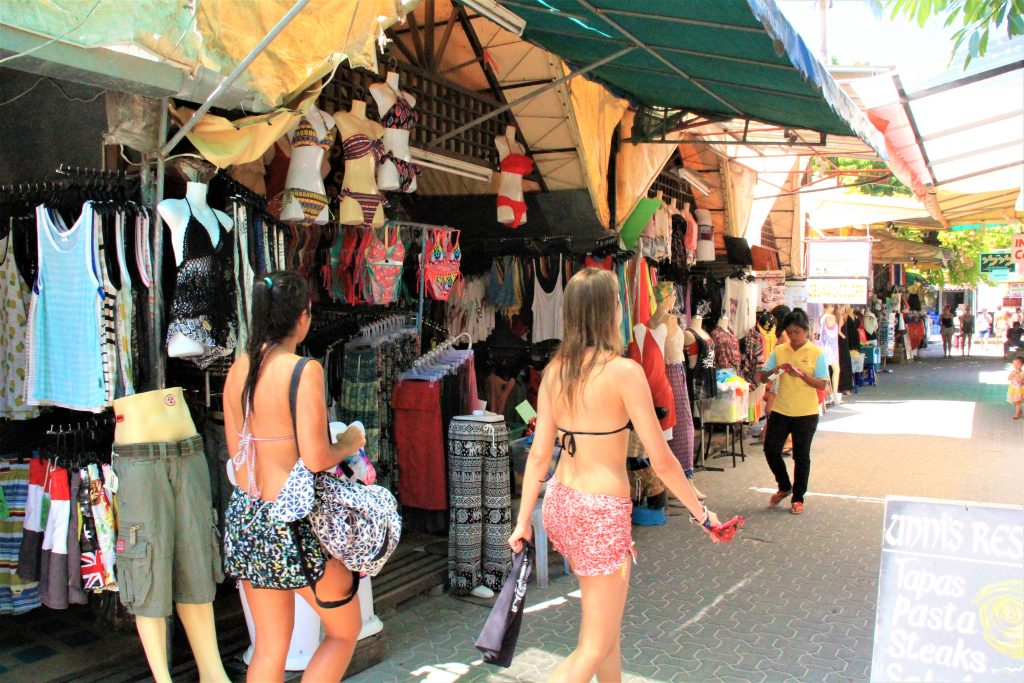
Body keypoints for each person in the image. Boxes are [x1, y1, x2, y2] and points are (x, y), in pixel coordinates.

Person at [508, 268, 725, 682]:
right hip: (601, 512)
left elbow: (538, 457)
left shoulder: (556, 371)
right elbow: (662, 461)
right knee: (593, 645)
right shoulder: (624, 372)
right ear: (610, 312)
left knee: (605, 635)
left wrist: (523, 523)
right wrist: (702, 515)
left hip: (563, 503)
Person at [222, 271, 367, 682]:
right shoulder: (304, 371)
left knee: (269, 647)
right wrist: (352, 440)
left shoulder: (238, 370)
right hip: (297, 526)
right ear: (302, 318)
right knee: (344, 631)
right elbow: (318, 457)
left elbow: (239, 460)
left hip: (249, 519)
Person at [760, 309, 831, 515]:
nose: (793, 337)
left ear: (806, 331)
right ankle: (784, 485)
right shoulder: (780, 350)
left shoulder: (816, 352)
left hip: (806, 412)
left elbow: (822, 384)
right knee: (771, 449)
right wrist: (776, 370)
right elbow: (763, 378)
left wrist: (801, 374)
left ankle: (798, 498)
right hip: (781, 409)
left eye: (797, 332)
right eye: (790, 332)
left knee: (801, 456)